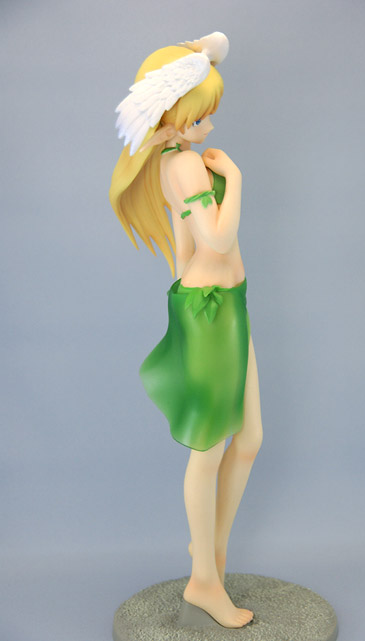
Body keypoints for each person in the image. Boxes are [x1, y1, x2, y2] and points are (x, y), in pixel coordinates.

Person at [109, 32, 263, 629]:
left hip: (223, 304)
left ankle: (211, 557)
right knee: (211, 448)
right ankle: (204, 582)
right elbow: (217, 239)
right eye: (200, 116)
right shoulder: (184, 166)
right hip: (213, 311)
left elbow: (182, 246)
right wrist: (237, 178)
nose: (210, 125)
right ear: (174, 116)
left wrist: (190, 291)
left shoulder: (180, 163)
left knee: (247, 440)